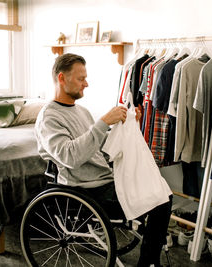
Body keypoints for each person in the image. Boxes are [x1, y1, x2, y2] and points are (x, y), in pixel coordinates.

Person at [35, 53, 172, 267]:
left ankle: (149, 258)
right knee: (158, 200)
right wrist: (103, 122)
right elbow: (70, 157)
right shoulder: (49, 118)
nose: (86, 83)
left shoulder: (82, 111)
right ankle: (148, 262)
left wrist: (124, 124)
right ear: (62, 78)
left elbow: (99, 146)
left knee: (162, 190)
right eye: (81, 78)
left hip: (105, 181)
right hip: (83, 188)